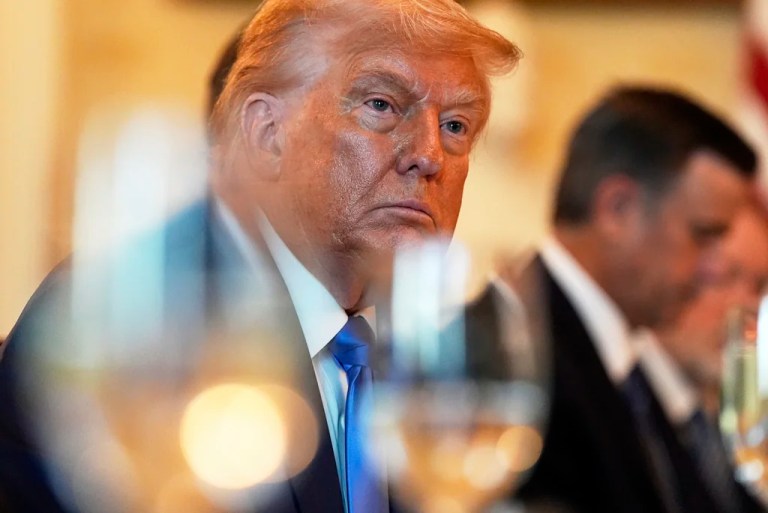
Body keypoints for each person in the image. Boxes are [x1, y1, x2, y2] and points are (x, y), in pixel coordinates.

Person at [0, 1, 520, 512]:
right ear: (267, 133)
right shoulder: (130, 316)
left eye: (455, 125)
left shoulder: (444, 344)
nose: (429, 154)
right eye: (382, 105)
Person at [512, 86, 757, 513]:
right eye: (703, 235)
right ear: (618, 208)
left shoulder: (625, 365)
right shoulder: (515, 352)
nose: (713, 269)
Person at [637, 201, 768, 513]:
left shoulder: (730, 431)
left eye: (760, 286)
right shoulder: (622, 408)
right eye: (723, 277)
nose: (748, 307)